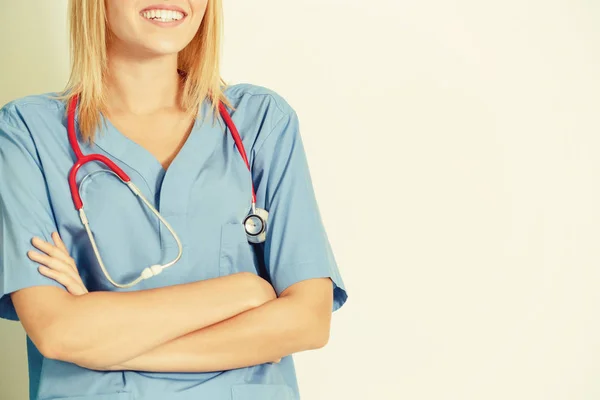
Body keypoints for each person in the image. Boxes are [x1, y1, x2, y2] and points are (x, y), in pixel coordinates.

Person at [0, 1, 347, 399]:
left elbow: (308, 321)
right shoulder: (27, 132)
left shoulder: (260, 121)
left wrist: (107, 347)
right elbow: (59, 332)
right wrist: (243, 292)